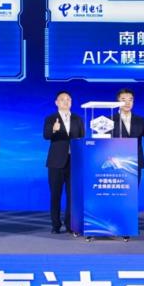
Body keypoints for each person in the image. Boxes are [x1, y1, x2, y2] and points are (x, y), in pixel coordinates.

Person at [43, 90, 85, 234]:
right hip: (55, 162)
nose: (65, 102)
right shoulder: (50, 118)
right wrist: (53, 130)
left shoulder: (78, 119)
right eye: (62, 99)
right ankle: (55, 225)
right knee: (55, 195)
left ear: (71, 102)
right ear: (56, 102)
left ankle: (70, 225)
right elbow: (46, 136)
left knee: (72, 196)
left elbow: (82, 139)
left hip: (74, 163)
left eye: (68, 99)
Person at [111, 88, 144, 183]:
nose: (127, 103)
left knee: (134, 190)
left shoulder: (139, 120)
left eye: (130, 100)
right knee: (118, 190)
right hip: (117, 162)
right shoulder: (110, 120)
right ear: (118, 101)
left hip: (135, 162)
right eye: (123, 99)